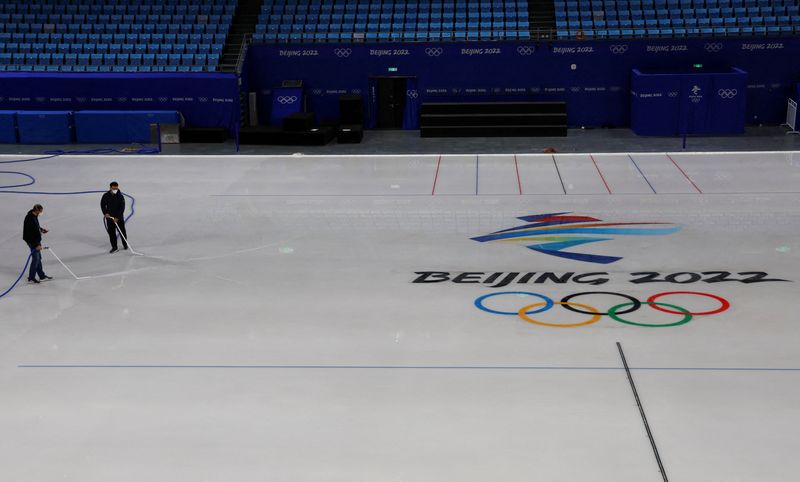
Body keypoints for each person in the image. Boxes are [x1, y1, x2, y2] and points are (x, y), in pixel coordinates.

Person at [22, 204, 52, 284]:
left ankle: (41, 276)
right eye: (41, 211)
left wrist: (41, 230)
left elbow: (36, 227)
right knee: (36, 259)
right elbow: (30, 234)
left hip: (35, 240)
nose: (41, 213)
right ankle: (31, 278)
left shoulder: (34, 215)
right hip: (32, 241)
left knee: (38, 258)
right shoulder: (30, 219)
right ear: (37, 210)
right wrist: (36, 245)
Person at [101, 181, 128, 253]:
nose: (115, 190)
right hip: (109, 218)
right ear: (110, 188)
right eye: (113, 188)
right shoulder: (105, 196)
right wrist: (105, 213)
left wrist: (117, 217)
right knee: (112, 233)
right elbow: (102, 205)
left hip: (119, 218)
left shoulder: (120, 196)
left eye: (116, 188)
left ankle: (125, 244)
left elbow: (122, 208)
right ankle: (114, 247)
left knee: (122, 232)